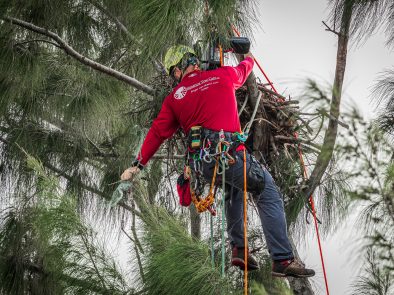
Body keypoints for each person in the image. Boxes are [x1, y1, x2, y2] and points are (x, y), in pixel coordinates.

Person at [121, 51, 315, 278]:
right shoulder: (222, 75)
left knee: (234, 186)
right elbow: (244, 69)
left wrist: (138, 164)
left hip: (203, 165)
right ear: (196, 64)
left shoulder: (174, 97)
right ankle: (282, 259)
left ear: (177, 71)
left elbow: (157, 133)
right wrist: (247, 54)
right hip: (230, 154)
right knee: (267, 189)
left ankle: (239, 249)